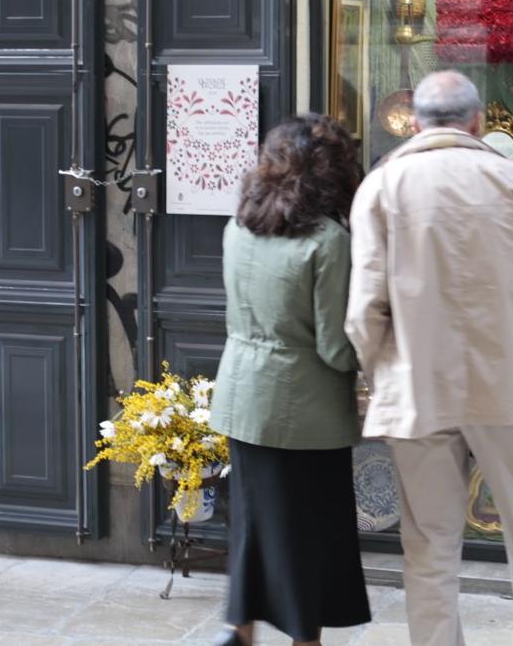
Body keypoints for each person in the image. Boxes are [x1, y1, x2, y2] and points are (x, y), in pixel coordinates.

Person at [347, 71, 513, 646]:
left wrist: (382, 371)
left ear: (416, 121)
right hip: (503, 382)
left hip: (417, 386)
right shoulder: (512, 180)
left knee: (429, 541)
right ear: (477, 123)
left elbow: (362, 311)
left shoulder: (381, 186)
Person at [209, 114, 370, 646]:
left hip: (240, 394)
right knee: (307, 536)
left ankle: (242, 629)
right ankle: (305, 640)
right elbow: (333, 345)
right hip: (305, 410)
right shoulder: (328, 240)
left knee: (252, 526)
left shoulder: (240, 224)